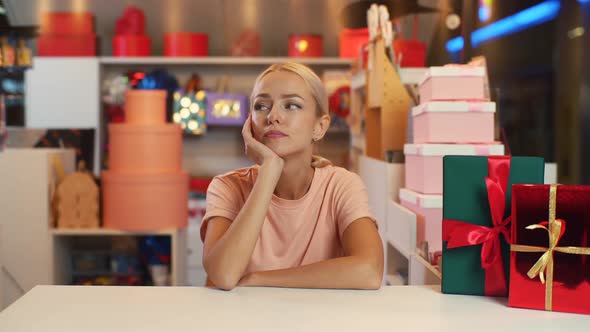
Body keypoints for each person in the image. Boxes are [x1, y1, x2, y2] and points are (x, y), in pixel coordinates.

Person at [200, 62, 383, 290]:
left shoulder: (341, 185)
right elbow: (224, 275)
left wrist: (258, 279)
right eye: (261, 106)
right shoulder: (227, 187)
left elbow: (369, 271)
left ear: (320, 126)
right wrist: (269, 170)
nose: (273, 116)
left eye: (292, 105)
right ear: (249, 124)